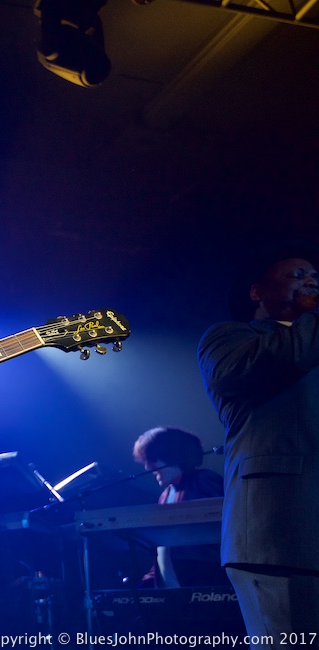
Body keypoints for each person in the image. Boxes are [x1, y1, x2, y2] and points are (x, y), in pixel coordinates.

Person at [197, 240, 319, 643]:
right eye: (296, 275)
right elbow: (275, 361)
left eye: (314, 277)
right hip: (279, 528)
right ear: (257, 292)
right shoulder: (230, 338)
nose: (310, 282)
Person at [131, 426, 226, 588]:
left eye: (152, 460)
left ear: (172, 456)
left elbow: (218, 534)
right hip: (175, 591)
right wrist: (149, 580)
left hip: (205, 585)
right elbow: (163, 549)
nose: (148, 467)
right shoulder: (165, 495)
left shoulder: (204, 481)